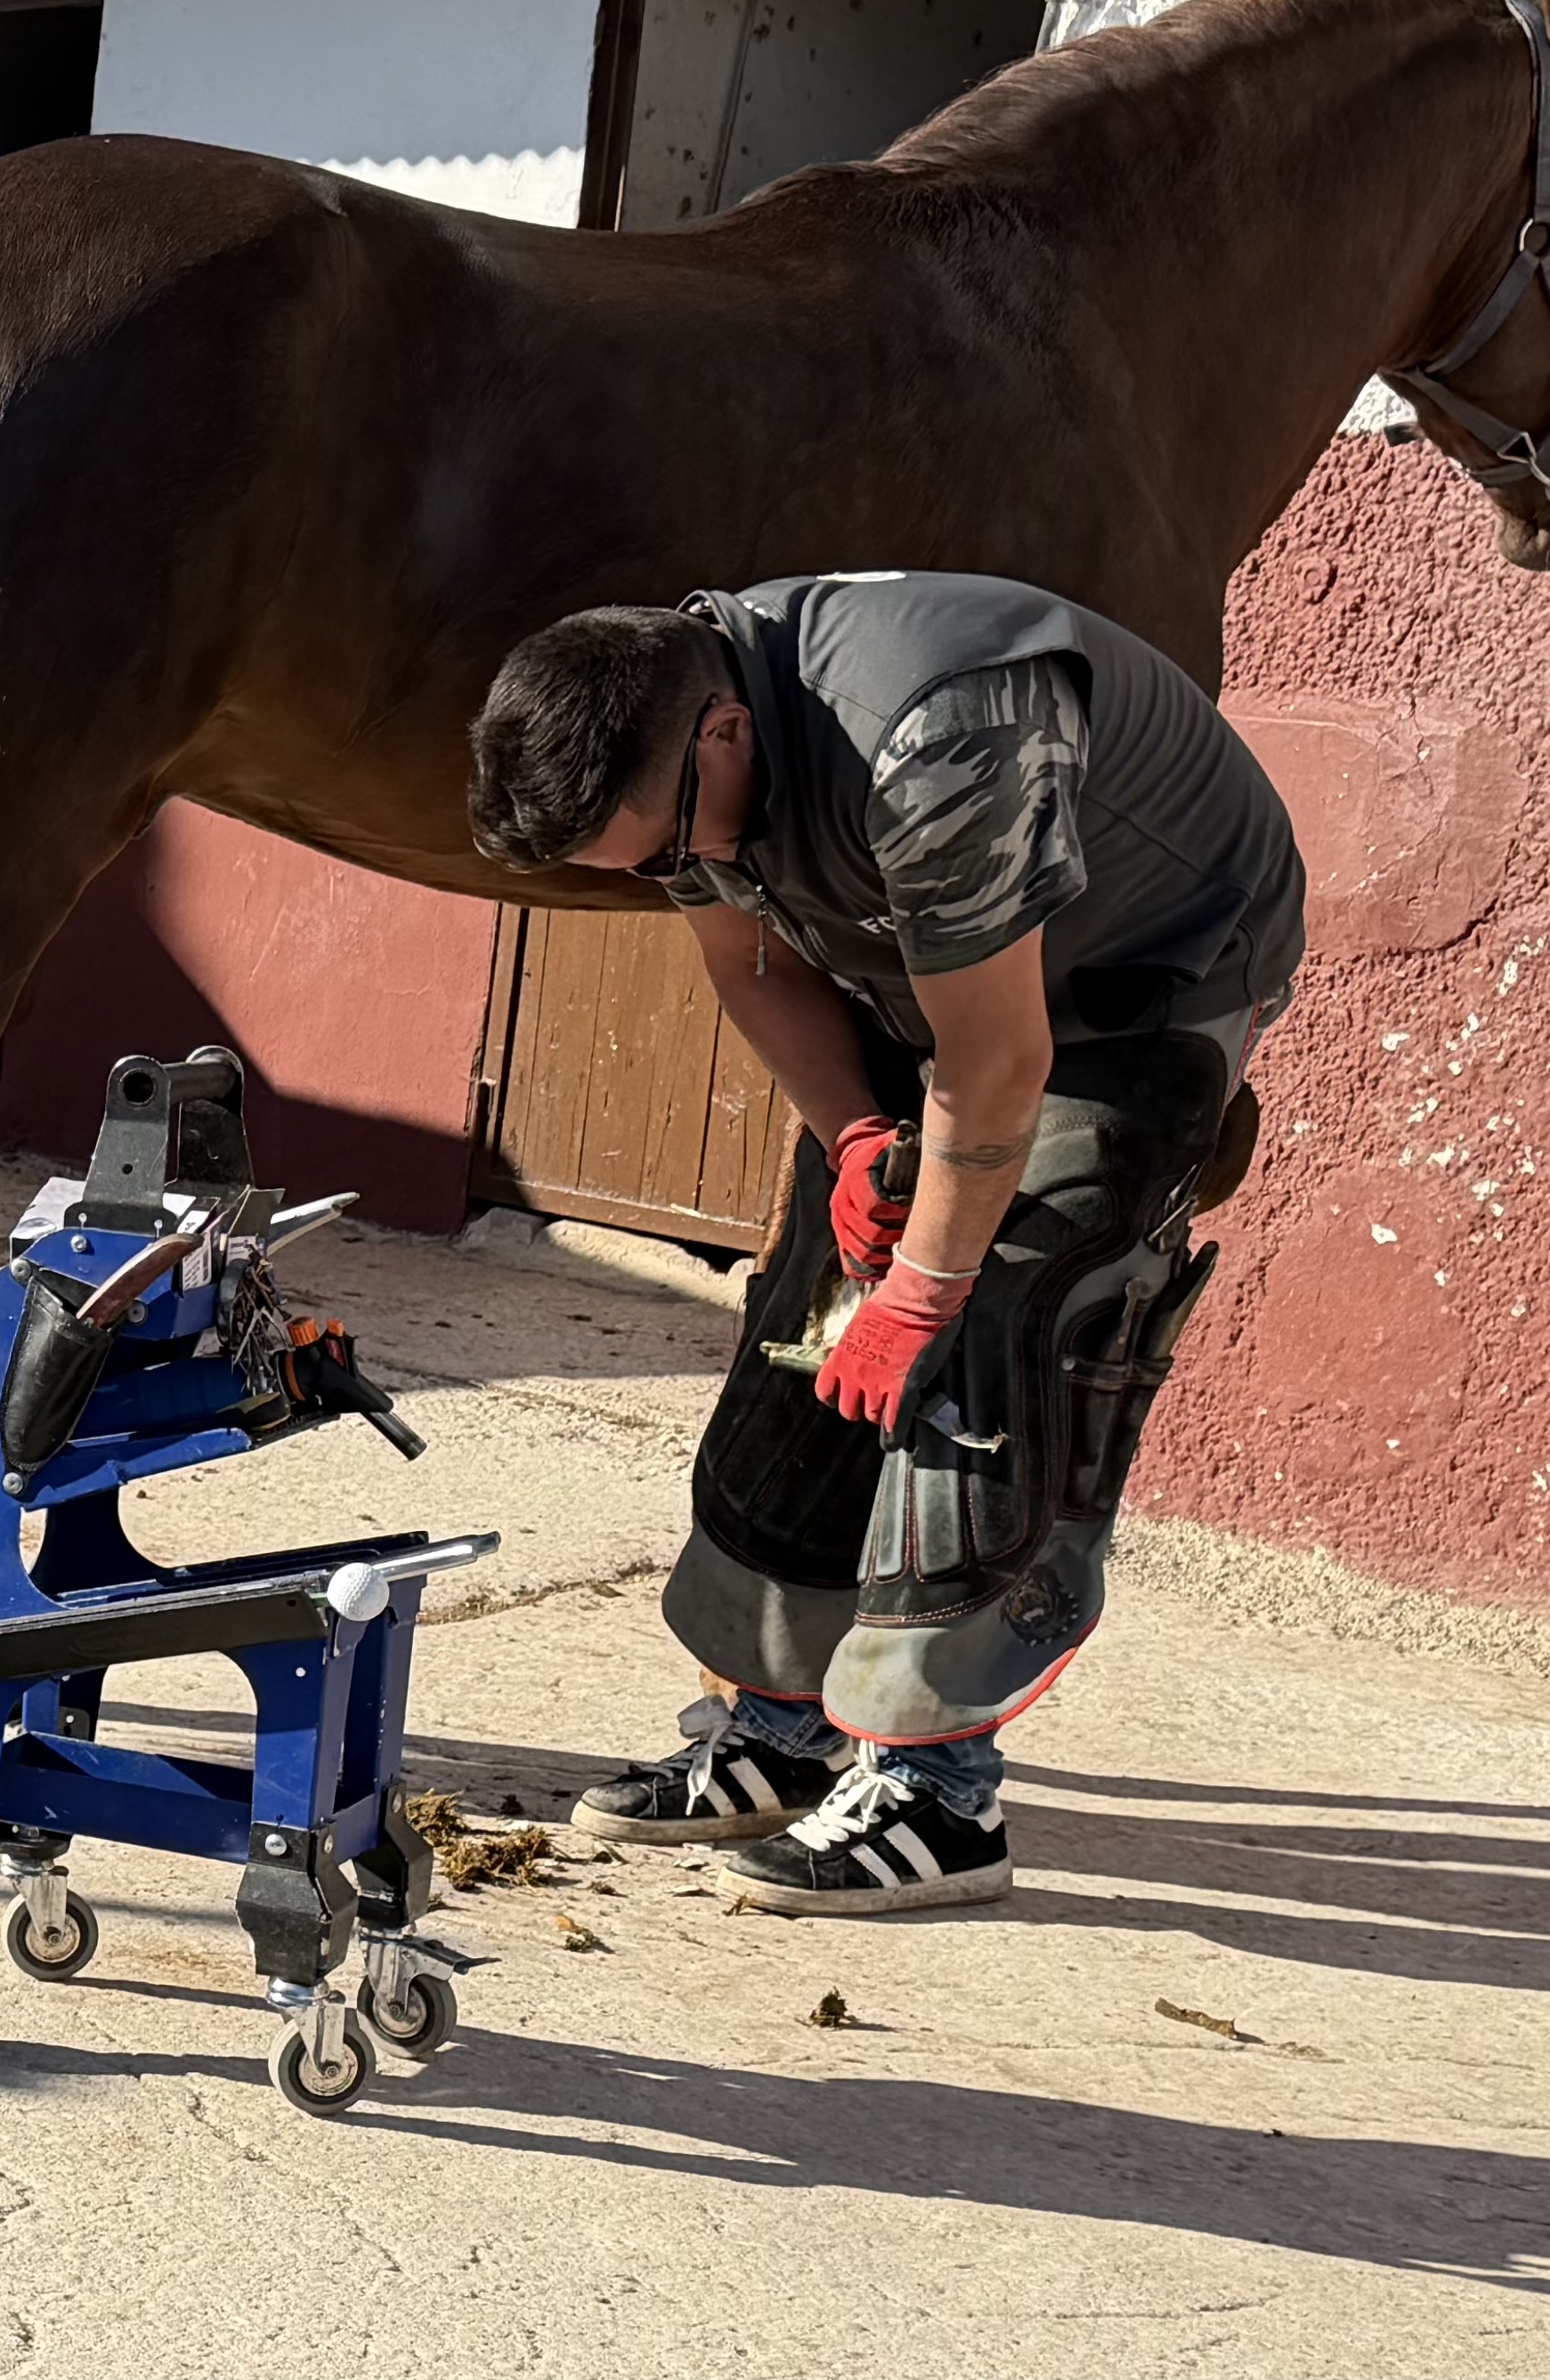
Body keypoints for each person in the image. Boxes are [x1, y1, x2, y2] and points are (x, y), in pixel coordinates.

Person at [464, 571, 1303, 1913]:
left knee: (1003, 1327)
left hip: (1137, 986)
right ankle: (779, 1731)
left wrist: (927, 1292)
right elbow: (750, 964)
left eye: (667, 847)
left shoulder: (939, 738)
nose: (675, 872)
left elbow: (1000, 1060)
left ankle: (939, 1795)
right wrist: (855, 1134)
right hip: (922, 977)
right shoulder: (682, 740)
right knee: (818, 1311)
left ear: (724, 734)